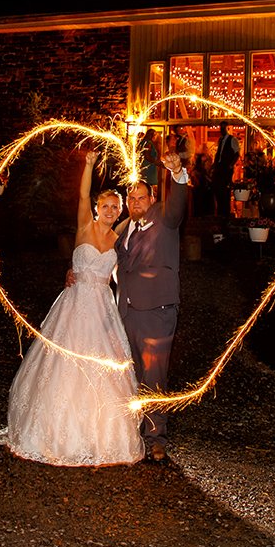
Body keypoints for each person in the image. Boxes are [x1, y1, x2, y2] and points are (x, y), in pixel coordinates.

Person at [0, 152, 144, 467]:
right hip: (74, 305)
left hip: (102, 310)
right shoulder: (85, 226)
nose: (111, 211)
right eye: (106, 206)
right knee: (63, 363)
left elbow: (142, 214)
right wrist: (88, 164)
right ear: (97, 209)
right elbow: (83, 193)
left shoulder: (119, 236)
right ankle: (53, 431)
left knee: (103, 368)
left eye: (116, 207)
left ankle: (103, 434)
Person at [115, 149, 190, 462]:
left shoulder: (164, 217)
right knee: (128, 373)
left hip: (157, 311)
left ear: (153, 196)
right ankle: (128, 429)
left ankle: (155, 435)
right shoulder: (125, 229)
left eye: (141, 197)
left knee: (154, 373)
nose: (136, 203)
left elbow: (177, 205)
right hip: (126, 311)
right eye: (131, 198)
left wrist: (178, 174)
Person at [211, 123, 240, 217]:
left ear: (226, 128)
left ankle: (225, 213)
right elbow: (218, 154)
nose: (221, 130)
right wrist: (215, 165)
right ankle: (219, 212)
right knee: (217, 190)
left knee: (224, 191)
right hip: (219, 168)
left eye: (223, 128)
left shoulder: (232, 139)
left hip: (225, 169)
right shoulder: (221, 140)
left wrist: (230, 165)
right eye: (220, 128)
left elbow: (237, 153)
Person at [139, 129, 160, 197]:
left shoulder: (143, 142)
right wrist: (156, 162)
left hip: (145, 168)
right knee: (149, 188)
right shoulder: (148, 143)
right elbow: (147, 155)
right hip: (148, 169)